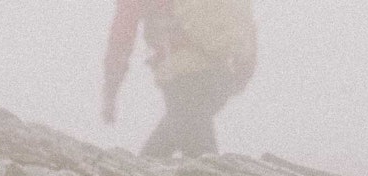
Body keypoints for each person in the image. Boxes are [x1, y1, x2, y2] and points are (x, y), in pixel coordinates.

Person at [102, 0, 257, 158]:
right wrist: (244, 70)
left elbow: (122, 37)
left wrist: (110, 92)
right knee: (181, 129)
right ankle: (136, 174)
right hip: (224, 69)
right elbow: (246, 22)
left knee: (197, 147)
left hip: (180, 70)